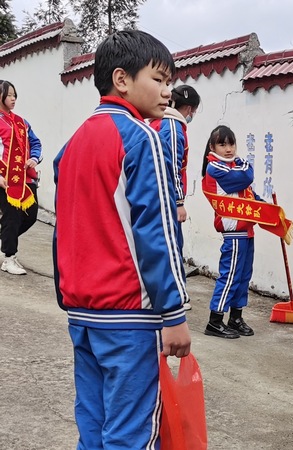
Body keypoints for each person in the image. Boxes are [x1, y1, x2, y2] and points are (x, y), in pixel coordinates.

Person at [52, 30, 191, 449]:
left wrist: (68, 295)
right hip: (130, 315)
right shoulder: (142, 138)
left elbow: (67, 227)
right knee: (130, 436)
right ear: (122, 79)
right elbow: (158, 232)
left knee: (93, 429)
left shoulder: (72, 144)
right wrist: (175, 313)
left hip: (83, 312)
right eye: (159, 79)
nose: (168, 91)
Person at [200, 125, 260, 339]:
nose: (228, 149)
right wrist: (245, 167)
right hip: (233, 232)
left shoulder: (234, 166)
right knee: (230, 277)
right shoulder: (215, 168)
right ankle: (215, 320)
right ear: (212, 146)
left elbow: (250, 193)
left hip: (247, 231)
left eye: (231, 143)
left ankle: (235, 317)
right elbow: (246, 176)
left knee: (243, 277)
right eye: (222, 144)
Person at [150, 85, 201, 310]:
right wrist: (179, 202)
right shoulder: (172, 126)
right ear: (188, 108)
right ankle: (176, 296)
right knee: (172, 245)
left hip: (154, 195)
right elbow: (171, 167)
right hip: (165, 197)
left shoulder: (158, 122)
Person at [0, 80, 43, 275]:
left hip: (25, 178)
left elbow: (35, 142)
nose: (13, 98)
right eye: (9, 94)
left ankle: (5, 242)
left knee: (31, 215)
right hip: (5, 178)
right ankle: (9, 258)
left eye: (14, 94)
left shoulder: (21, 122)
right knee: (12, 217)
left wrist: (34, 158)